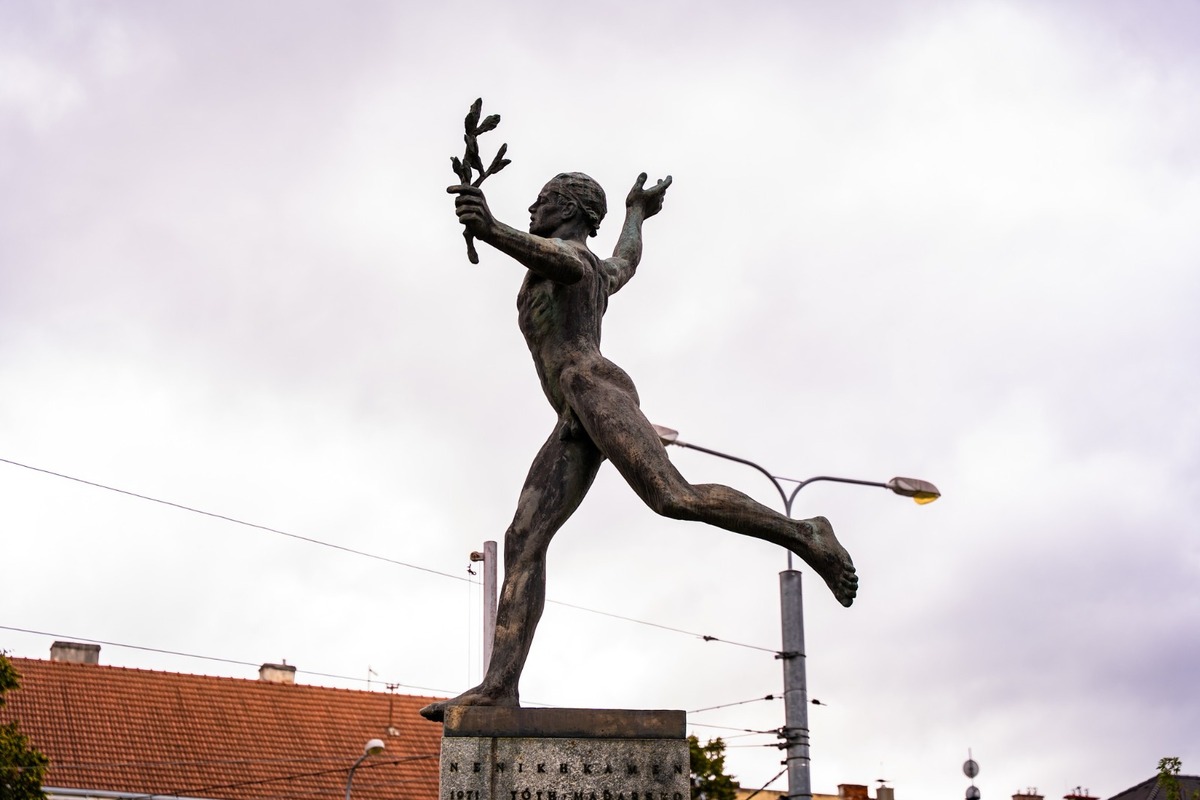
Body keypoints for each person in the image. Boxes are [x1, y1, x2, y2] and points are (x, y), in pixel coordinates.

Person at [419, 171, 857, 722]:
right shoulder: (598, 267)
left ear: (573, 211)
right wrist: (636, 214)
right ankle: (499, 687)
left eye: (547, 199)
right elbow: (625, 262)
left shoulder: (573, 260)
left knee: (674, 497)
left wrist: (492, 229)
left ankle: (806, 533)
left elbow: (557, 258)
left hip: (594, 389)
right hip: (573, 413)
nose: (535, 204)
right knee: (521, 539)